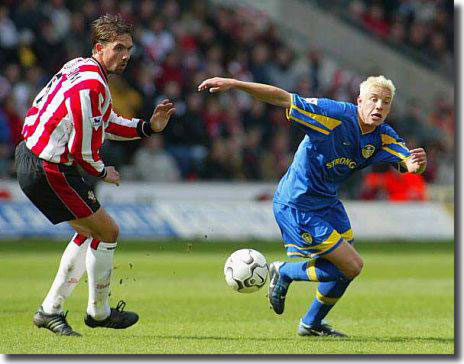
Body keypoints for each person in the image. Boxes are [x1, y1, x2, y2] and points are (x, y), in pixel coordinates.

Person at [198, 75, 427, 337]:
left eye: (385, 102)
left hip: (328, 202)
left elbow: (408, 163)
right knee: (352, 265)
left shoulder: (383, 136)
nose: (379, 106)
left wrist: (416, 165)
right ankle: (283, 271)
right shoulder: (332, 114)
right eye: (373, 100)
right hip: (298, 202)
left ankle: (311, 324)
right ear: (359, 101)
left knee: (345, 271)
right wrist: (235, 84)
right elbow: (282, 97)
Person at [15, 14, 175, 337]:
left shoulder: (82, 69)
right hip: (48, 166)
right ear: (100, 48)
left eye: (129, 48)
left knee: (91, 233)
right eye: (119, 48)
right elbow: (81, 149)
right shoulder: (92, 85)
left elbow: (107, 121)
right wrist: (104, 171)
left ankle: (51, 310)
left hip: (34, 156)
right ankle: (96, 313)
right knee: (109, 231)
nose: (126, 55)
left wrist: (146, 127)